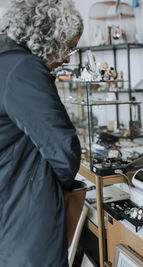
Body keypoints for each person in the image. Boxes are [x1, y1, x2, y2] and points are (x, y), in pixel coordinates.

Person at [0, 0, 83, 266]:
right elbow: (64, 150)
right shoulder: (22, 68)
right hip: (26, 208)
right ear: (51, 37)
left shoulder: (5, 58)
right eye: (69, 47)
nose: (68, 57)